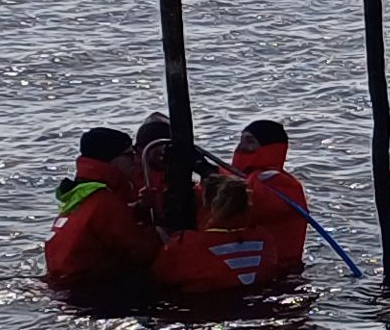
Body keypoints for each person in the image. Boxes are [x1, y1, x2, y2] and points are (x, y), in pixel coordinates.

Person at [45, 127, 161, 288]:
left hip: (65, 285)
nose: (136, 160)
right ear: (112, 160)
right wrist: (161, 230)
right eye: (129, 155)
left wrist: (137, 210)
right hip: (91, 292)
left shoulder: (81, 193)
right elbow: (142, 252)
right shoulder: (104, 201)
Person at [153, 174, 273, 298]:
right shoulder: (264, 239)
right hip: (255, 302)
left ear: (208, 207)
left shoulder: (184, 245)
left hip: (202, 308)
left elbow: (161, 276)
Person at [228, 117, 310, 279]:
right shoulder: (240, 178)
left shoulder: (284, 184)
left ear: (269, 148)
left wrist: (211, 172)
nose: (242, 148)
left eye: (250, 141)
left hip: (279, 273)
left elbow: (253, 203)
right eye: (241, 141)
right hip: (248, 267)